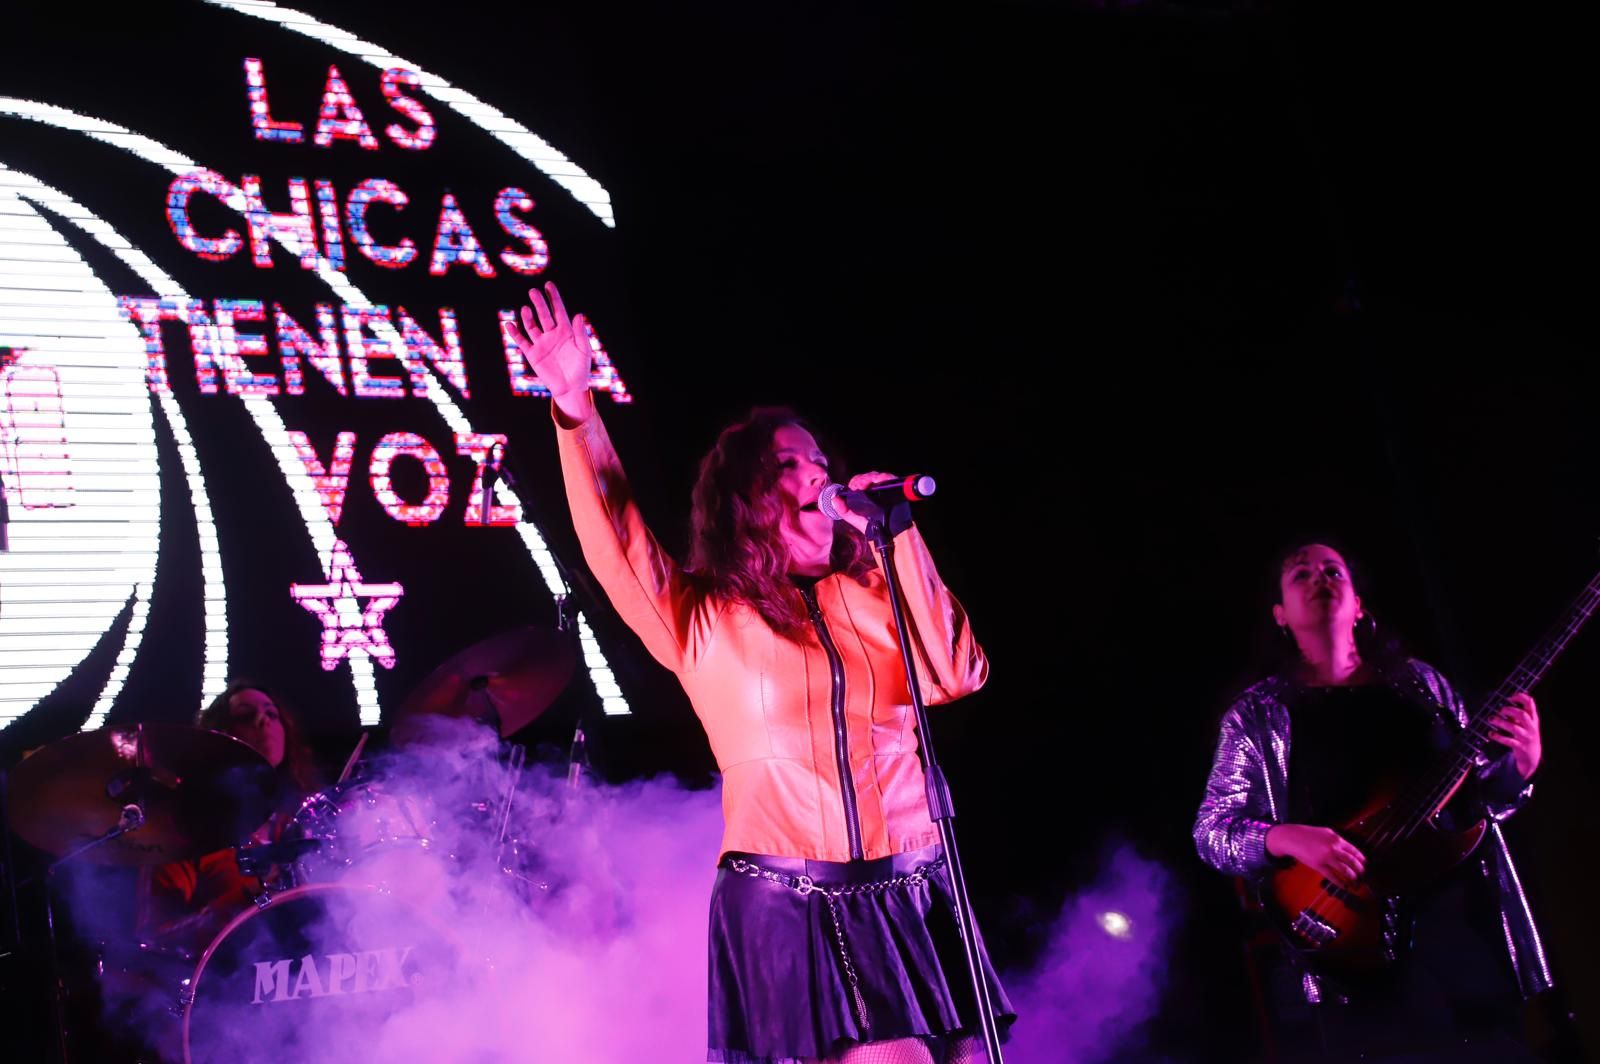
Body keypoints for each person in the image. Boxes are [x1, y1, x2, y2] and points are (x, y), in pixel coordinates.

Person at [505, 283, 1012, 1064]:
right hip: (793, 901)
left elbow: (955, 672)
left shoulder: (876, 590)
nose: (815, 474)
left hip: (913, 888)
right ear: (747, 496)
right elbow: (617, 538)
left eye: (818, 460)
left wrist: (898, 537)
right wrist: (576, 405)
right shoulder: (706, 617)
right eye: (789, 463)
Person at [1193, 541, 1552, 1062]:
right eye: (1301, 573)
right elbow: (1211, 833)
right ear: (1280, 615)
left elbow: (1471, 807)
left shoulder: (1422, 685)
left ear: (1359, 603)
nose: (1320, 578)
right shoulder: (1256, 715)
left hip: (1462, 939)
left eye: (1333, 569)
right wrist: (1287, 837)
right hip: (1356, 957)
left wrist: (1519, 769)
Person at [140, 679, 317, 950]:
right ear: (219, 736)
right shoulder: (188, 834)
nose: (263, 720)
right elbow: (154, 941)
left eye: (272, 714)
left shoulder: (306, 822)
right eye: (246, 715)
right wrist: (229, 910)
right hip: (228, 985)